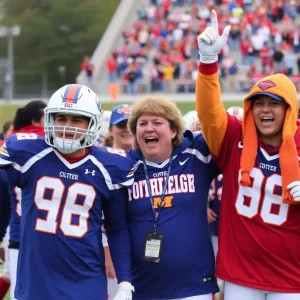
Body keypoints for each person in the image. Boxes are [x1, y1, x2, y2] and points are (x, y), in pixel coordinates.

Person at [197, 10, 300, 300]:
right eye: (259, 103)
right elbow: (209, 113)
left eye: (274, 104)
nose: (265, 110)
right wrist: (207, 63)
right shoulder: (234, 138)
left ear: (289, 109)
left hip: (292, 276)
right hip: (242, 273)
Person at [0, 84, 135, 300]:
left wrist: (125, 282)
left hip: (86, 280)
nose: (67, 126)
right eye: (61, 119)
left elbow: (116, 228)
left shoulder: (110, 165)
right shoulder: (28, 152)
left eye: (76, 120)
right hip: (36, 281)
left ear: (92, 123)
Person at [126, 97, 220, 300]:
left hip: (193, 286)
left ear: (174, 130)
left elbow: (226, 134)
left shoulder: (196, 154)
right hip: (142, 286)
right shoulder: (124, 167)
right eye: (142, 124)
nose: (149, 128)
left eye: (157, 122)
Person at [0, 100, 46, 300]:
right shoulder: (51, 144)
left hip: (18, 231)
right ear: (37, 120)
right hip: (53, 235)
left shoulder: (11, 145)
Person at [207, 106, 243, 300]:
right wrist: (205, 205)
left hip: (239, 220)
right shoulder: (221, 155)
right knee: (218, 266)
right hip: (219, 219)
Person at [102, 104, 133, 299]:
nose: (126, 128)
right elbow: (100, 216)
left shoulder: (146, 160)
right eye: (121, 124)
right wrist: (108, 254)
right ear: (110, 129)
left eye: (131, 123)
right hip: (112, 247)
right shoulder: (102, 162)